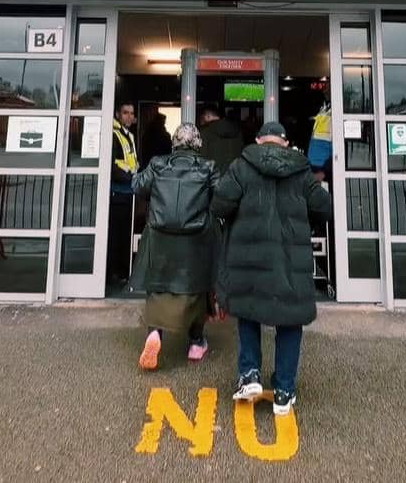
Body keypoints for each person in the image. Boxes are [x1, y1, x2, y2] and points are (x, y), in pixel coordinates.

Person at [211, 120, 332, 416]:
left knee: (249, 313)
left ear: (257, 140)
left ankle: (250, 374)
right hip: (290, 260)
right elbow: (323, 208)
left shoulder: (242, 165)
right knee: (289, 322)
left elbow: (219, 205)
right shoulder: (301, 171)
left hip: (249, 258)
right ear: (286, 144)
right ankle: (283, 390)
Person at [130, 123, 220, 370]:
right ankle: (196, 342)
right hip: (195, 240)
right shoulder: (207, 167)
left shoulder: (159, 164)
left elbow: (138, 187)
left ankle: (155, 334)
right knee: (195, 290)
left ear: (175, 143)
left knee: (158, 287)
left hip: (160, 239)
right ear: (198, 144)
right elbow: (221, 196)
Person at [107, 101, 138, 284]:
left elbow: (132, 162)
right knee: (116, 236)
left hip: (129, 192)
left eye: (131, 113)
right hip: (117, 192)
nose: (129, 116)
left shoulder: (129, 136)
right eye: (125, 112)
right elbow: (112, 166)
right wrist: (132, 179)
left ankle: (122, 272)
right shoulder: (114, 135)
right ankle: (113, 274)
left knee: (125, 235)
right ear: (118, 114)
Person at [198, 104, 244, 176]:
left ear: (208, 116)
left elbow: (203, 158)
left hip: (213, 179)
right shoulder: (237, 131)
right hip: (234, 177)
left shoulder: (205, 132)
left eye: (203, 116)